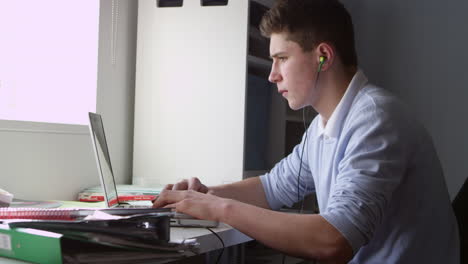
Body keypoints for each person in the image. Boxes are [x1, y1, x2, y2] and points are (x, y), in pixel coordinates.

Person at [153, 0, 460, 262]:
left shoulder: (375, 120)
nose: (272, 76)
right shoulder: (322, 127)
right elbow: (272, 188)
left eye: (281, 59)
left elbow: (334, 240)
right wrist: (202, 195)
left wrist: (219, 208)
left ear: (323, 56)